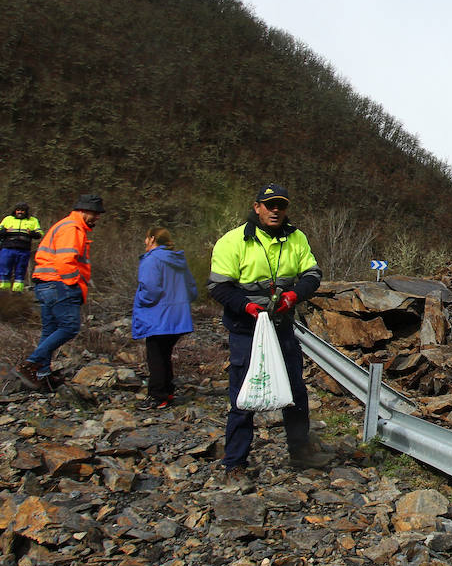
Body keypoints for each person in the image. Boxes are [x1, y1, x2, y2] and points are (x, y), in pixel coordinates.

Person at [208, 183, 330, 481]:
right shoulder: (233, 241)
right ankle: (234, 463)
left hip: (281, 326)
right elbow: (218, 286)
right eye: (270, 205)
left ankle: (300, 452)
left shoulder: (296, 238)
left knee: (295, 391)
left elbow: (312, 274)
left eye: (281, 206)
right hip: (246, 328)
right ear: (257, 207)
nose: (276, 210)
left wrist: (293, 296)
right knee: (242, 395)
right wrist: (247, 307)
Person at [16, 194, 104, 391]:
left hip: (46, 284)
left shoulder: (65, 225)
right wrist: (74, 283)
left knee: (49, 330)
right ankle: (31, 364)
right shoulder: (72, 228)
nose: (97, 217)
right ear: (83, 211)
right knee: (70, 327)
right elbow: (65, 261)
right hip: (59, 284)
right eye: (95, 213)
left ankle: (42, 375)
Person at [132, 227, 198, 410]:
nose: (145, 242)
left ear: (152, 238)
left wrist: (142, 301)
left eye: (146, 238)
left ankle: (157, 395)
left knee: (156, 356)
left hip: (158, 316)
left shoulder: (151, 260)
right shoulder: (178, 260)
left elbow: (150, 289)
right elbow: (191, 288)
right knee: (164, 354)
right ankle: (167, 392)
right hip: (178, 317)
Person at [0, 202, 43, 291]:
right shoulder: (8, 219)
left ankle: (17, 291)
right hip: (8, 248)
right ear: (15, 211)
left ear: (26, 211)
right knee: (4, 269)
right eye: (18, 210)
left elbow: (40, 234)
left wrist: (31, 233)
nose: (20, 212)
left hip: (23, 250)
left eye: (22, 210)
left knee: (20, 271)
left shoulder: (33, 220)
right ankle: (4, 290)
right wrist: (5, 231)